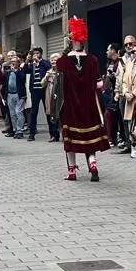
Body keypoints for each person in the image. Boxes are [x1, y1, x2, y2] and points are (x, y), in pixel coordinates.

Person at [57, 19, 108, 181]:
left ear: (71, 41)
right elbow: (99, 84)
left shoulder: (64, 61)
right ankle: (92, 163)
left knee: (70, 139)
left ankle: (72, 171)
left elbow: (58, 69)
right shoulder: (92, 60)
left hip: (71, 106)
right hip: (89, 106)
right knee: (89, 138)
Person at [26, 47, 50, 140]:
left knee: (47, 111)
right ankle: (32, 134)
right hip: (34, 91)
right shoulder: (32, 65)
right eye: (34, 54)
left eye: (37, 53)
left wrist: (39, 61)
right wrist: (27, 61)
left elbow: (48, 68)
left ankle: (53, 134)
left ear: (41, 54)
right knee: (33, 112)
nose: (35, 55)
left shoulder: (45, 63)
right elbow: (25, 71)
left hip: (44, 90)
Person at [3, 51, 27, 138]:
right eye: (11, 62)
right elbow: (4, 82)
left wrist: (16, 71)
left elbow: (23, 78)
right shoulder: (8, 71)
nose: (13, 63)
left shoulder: (21, 70)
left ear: (18, 62)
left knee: (18, 112)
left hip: (19, 94)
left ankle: (20, 130)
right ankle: (15, 130)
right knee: (12, 114)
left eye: (14, 62)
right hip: (10, 95)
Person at [42, 53, 62, 143]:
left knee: (60, 115)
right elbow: (42, 84)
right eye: (52, 60)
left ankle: (63, 134)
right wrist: (47, 77)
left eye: (56, 60)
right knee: (50, 115)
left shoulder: (62, 72)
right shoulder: (49, 72)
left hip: (60, 96)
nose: (54, 62)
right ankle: (53, 135)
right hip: (49, 95)